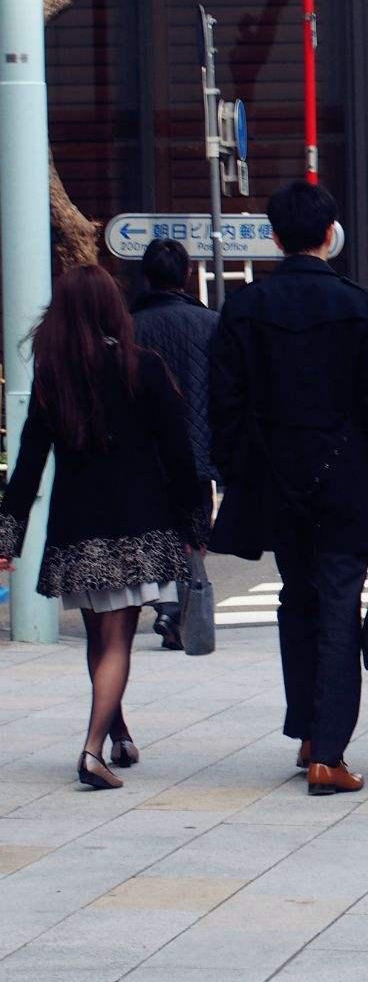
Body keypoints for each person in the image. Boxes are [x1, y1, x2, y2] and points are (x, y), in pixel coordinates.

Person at [211, 181, 368, 796]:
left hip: (275, 481)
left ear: (274, 236)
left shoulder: (245, 308)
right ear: (330, 235)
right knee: (336, 605)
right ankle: (329, 751)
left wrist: (235, 472)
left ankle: (306, 731)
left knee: (295, 597)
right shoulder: (358, 307)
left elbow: (224, 404)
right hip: (347, 481)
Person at [0, 267, 208, 790]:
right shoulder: (144, 368)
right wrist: (194, 523)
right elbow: (179, 454)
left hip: (77, 531)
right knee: (118, 640)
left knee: (100, 631)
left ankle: (118, 733)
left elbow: (26, 467)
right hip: (138, 526)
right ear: (112, 308)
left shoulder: (54, 378)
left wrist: (8, 539)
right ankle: (93, 750)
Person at [131, 238, 219, 652]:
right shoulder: (210, 324)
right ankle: (184, 608)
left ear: (146, 277)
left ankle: (167, 607)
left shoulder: (128, 327)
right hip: (197, 449)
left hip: (145, 452)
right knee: (193, 530)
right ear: (186, 276)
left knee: (153, 531)